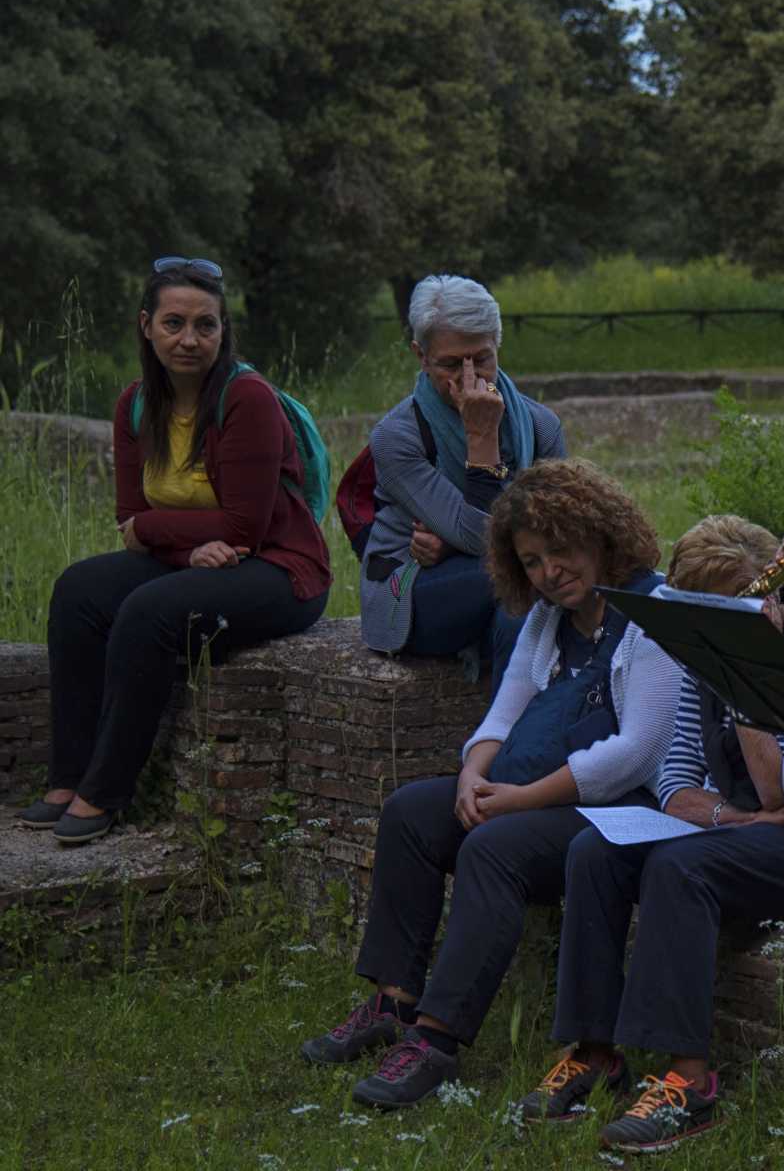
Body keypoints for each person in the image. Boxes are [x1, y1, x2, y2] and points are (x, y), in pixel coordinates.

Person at [298, 459, 684, 1109]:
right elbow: (505, 711)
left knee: (493, 847)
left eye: (561, 551)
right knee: (413, 813)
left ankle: (437, 1039)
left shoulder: (652, 610)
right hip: (540, 791)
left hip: (625, 812)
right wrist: (473, 774)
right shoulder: (550, 616)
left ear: (601, 535)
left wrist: (518, 799)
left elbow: (637, 753)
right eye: (532, 561)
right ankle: (395, 1000)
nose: (549, 572)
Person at [519, 514, 784, 1154]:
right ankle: (593, 1050)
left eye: (722, 610)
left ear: (766, 597)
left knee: (682, 868)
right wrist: (746, 820)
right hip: (768, 826)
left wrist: (747, 667)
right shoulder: (702, 652)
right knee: (596, 850)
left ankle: (688, 1084)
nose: (703, 625)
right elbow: (674, 783)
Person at [19, 257, 330, 846]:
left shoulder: (247, 399)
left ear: (222, 331)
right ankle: (66, 777)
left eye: (205, 325)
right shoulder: (136, 404)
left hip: (280, 568)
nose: (189, 339)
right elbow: (126, 519)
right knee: (78, 591)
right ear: (147, 326)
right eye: (174, 323)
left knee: (150, 612)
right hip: (196, 560)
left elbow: (244, 524)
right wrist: (186, 548)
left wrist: (158, 532)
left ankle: (105, 792)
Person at [357, 274, 565, 684]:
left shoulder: (540, 425)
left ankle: (506, 739)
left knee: (518, 608)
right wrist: (482, 438)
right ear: (421, 355)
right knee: (523, 578)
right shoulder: (397, 437)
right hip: (413, 587)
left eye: (481, 359)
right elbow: (479, 539)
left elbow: (561, 531)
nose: (469, 378)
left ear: (497, 346)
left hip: (504, 581)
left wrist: (450, 545)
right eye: (450, 364)